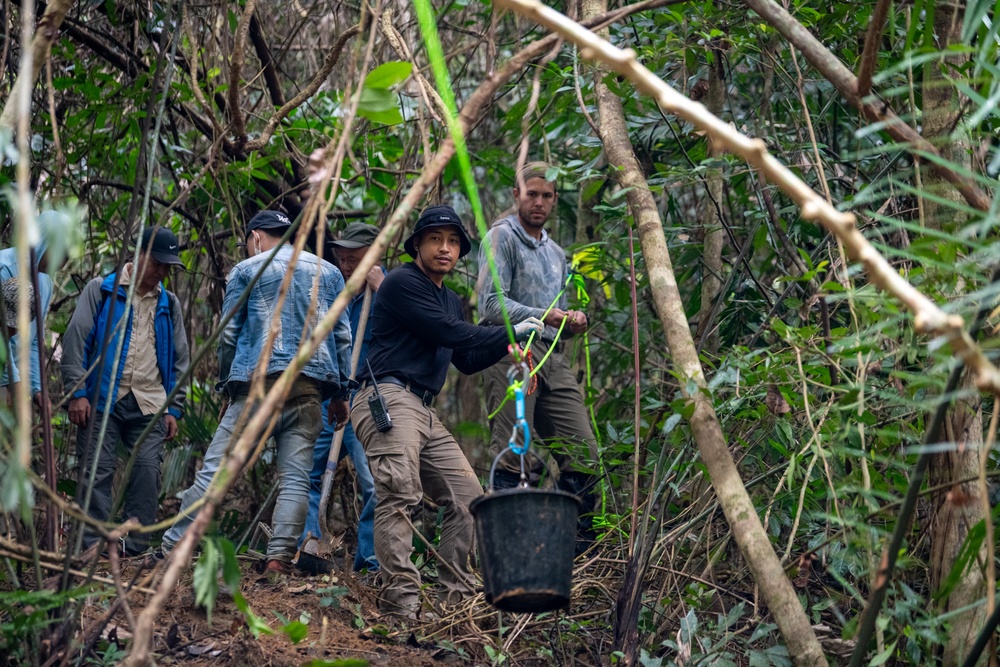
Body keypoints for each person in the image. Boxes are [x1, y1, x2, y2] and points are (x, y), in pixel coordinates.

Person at [352, 204, 544, 619]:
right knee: (400, 494)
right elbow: (447, 331)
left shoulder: (452, 301)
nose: (445, 248)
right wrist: (510, 328)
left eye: (453, 241)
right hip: (388, 396)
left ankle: (452, 602)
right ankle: (400, 602)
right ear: (417, 245)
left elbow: (466, 357)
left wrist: (508, 349)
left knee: (468, 499)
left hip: (422, 407)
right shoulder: (402, 283)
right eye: (436, 239)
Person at [159, 211, 353, 574]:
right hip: (309, 388)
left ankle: (173, 547)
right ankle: (278, 558)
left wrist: (228, 383)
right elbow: (342, 336)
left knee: (216, 470)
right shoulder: (328, 272)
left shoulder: (249, 269)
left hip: (258, 386)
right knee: (295, 477)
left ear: (257, 237)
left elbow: (228, 333)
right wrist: (341, 393)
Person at [478, 161, 600, 544]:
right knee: (515, 449)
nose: (539, 202)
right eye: (532, 194)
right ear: (516, 195)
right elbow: (490, 306)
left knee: (583, 452)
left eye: (547, 196)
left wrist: (573, 320)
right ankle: (508, 550)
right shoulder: (501, 238)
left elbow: (556, 314)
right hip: (511, 351)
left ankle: (575, 548)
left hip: (552, 356)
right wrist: (544, 315)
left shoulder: (557, 253)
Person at [62, 226, 190, 556]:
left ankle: (134, 550)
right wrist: (77, 392)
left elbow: (180, 358)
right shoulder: (102, 290)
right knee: (96, 474)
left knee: (148, 473)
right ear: (140, 255)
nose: (162, 271)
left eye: (167, 266)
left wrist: (174, 408)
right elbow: (77, 339)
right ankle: (94, 550)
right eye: (158, 263)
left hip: (149, 402)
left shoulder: (169, 303)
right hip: (103, 399)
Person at [301, 222, 383, 572]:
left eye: (355, 259)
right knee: (306, 472)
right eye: (342, 258)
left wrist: (386, 291)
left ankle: (370, 562)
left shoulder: (393, 289)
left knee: (375, 483)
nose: (347, 266)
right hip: (330, 395)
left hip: (368, 399)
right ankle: (308, 548)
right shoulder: (331, 290)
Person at [0, 211, 61, 409]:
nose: (62, 261)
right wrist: (15, 382)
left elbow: (32, 340)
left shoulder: (44, 282)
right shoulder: (4, 268)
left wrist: (36, 390)